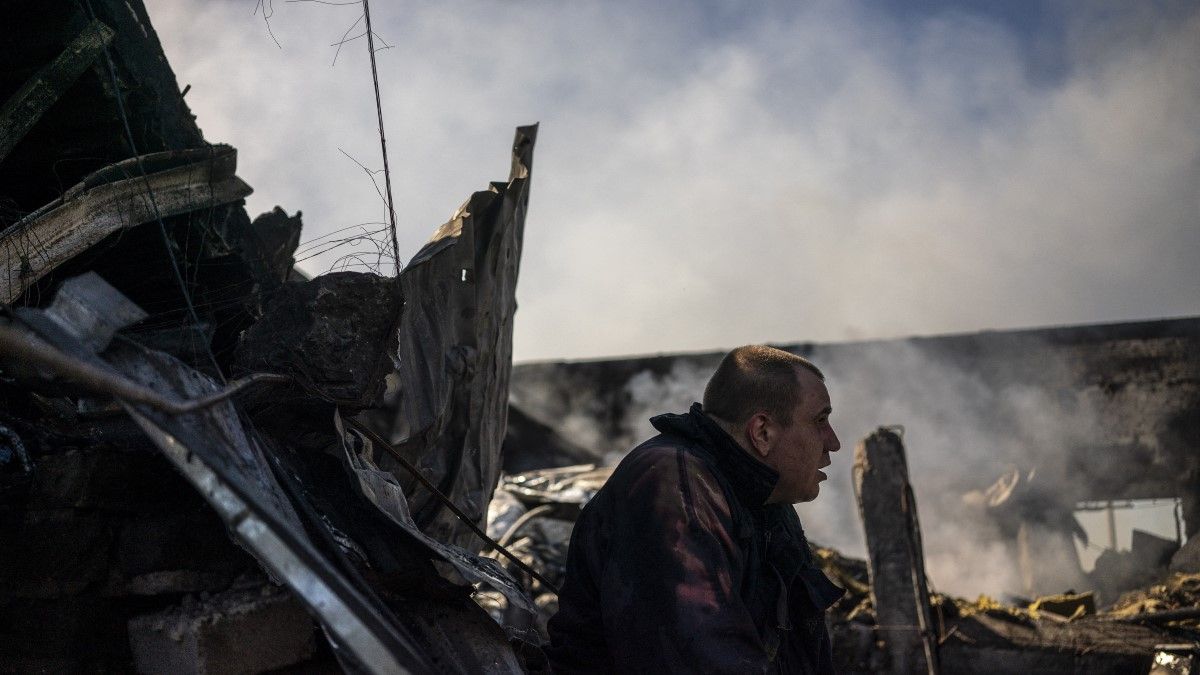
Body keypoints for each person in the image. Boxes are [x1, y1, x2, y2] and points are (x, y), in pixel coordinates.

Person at [546, 345, 845, 673]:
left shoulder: (769, 502)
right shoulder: (673, 485)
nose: (833, 442)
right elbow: (704, 660)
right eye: (819, 421)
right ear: (762, 432)